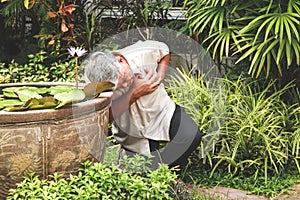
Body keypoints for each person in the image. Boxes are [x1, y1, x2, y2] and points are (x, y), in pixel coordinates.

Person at [84, 40, 202, 170]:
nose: (124, 86)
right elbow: (107, 117)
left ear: (121, 61)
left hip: (160, 110)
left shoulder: (141, 53)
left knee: (191, 135)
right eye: (119, 88)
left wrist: (159, 76)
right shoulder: (99, 84)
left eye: (124, 80)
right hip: (132, 128)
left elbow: (164, 50)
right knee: (141, 169)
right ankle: (141, 163)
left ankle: (166, 169)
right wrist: (135, 93)